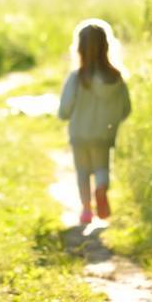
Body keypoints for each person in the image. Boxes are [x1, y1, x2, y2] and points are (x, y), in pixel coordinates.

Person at [58, 19, 131, 225]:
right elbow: (126, 109)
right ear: (106, 47)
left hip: (79, 134)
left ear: (79, 48)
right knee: (101, 169)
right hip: (104, 135)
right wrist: (112, 119)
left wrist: (64, 116)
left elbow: (64, 110)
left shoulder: (77, 78)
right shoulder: (117, 79)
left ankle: (86, 210)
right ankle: (101, 188)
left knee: (82, 172)